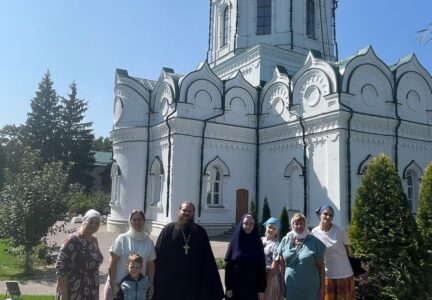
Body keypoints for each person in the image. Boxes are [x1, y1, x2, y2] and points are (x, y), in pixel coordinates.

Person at [153, 201, 224, 300]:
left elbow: (208, 259)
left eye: (190, 211)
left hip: (194, 282)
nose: (186, 213)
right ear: (179, 211)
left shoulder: (200, 232)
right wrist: (156, 280)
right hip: (172, 281)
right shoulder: (169, 230)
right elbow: (159, 255)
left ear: (193, 213)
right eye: (184, 210)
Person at [103, 209, 156, 300]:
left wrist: (151, 283)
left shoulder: (149, 242)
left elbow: (150, 264)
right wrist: (112, 284)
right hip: (118, 286)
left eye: (140, 219)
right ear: (130, 221)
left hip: (137, 289)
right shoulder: (122, 239)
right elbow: (113, 262)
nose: (137, 222)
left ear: (144, 221)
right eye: (134, 219)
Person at [56, 209, 104, 300]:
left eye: (97, 223)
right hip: (74, 290)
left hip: (91, 290)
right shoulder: (73, 240)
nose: (94, 225)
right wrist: (64, 295)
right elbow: (60, 267)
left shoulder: (94, 241)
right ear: (84, 221)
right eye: (91, 221)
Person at [278, 213, 326, 300]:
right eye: (296, 223)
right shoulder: (285, 241)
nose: (299, 226)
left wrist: (323, 288)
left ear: (305, 224)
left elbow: (322, 267)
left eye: (302, 223)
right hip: (291, 287)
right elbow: (281, 266)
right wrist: (282, 285)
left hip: (310, 288)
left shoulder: (314, 242)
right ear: (292, 225)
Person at [312, 204, 355, 300]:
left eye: (331, 215)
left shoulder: (340, 230)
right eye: (325, 214)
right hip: (326, 274)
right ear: (319, 215)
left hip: (343, 273)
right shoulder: (314, 232)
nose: (328, 217)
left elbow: (347, 250)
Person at [225, 214, 267, 300]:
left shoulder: (258, 243)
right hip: (236, 287)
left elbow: (261, 268)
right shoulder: (235, 243)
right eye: (246, 223)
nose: (248, 226)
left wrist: (261, 290)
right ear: (241, 224)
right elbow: (229, 267)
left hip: (253, 288)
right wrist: (228, 287)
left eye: (251, 224)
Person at [261, 217, 284, 300]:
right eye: (270, 227)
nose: (271, 230)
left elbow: (274, 269)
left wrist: (266, 285)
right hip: (259, 276)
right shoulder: (260, 240)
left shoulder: (276, 245)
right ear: (266, 227)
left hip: (270, 278)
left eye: (274, 228)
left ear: (277, 231)